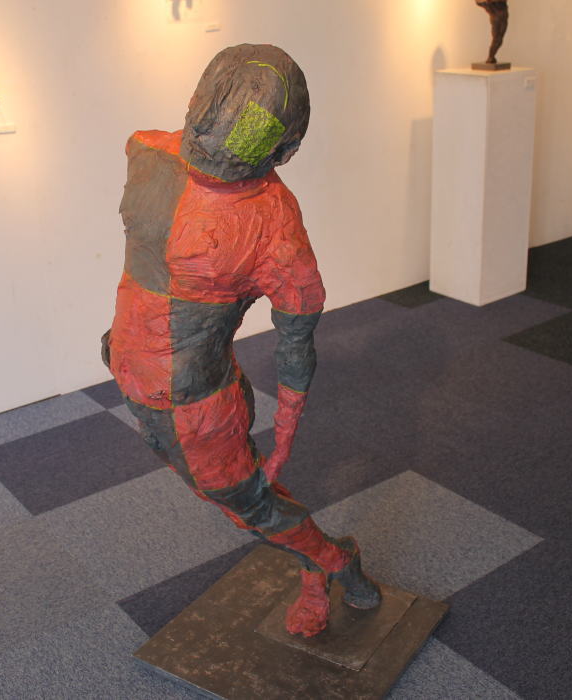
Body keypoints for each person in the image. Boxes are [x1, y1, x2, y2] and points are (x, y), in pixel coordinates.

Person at [102, 44, 380, 638]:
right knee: (230, 495)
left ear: (284, 152)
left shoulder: (275, 223)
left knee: (246, 504)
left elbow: (296, 346)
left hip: (194, 401)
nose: (213, 146)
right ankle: (319, 554)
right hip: (127, 366)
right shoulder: (147, 150)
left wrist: (282, 443)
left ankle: (333, 562)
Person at [476, 0, 510, 65]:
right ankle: (491, 57)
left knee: (499, 39)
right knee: (497, 39)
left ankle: (491, 57)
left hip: (502, 17)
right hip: (497, 18)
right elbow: (478, 2)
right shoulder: (489, 4)